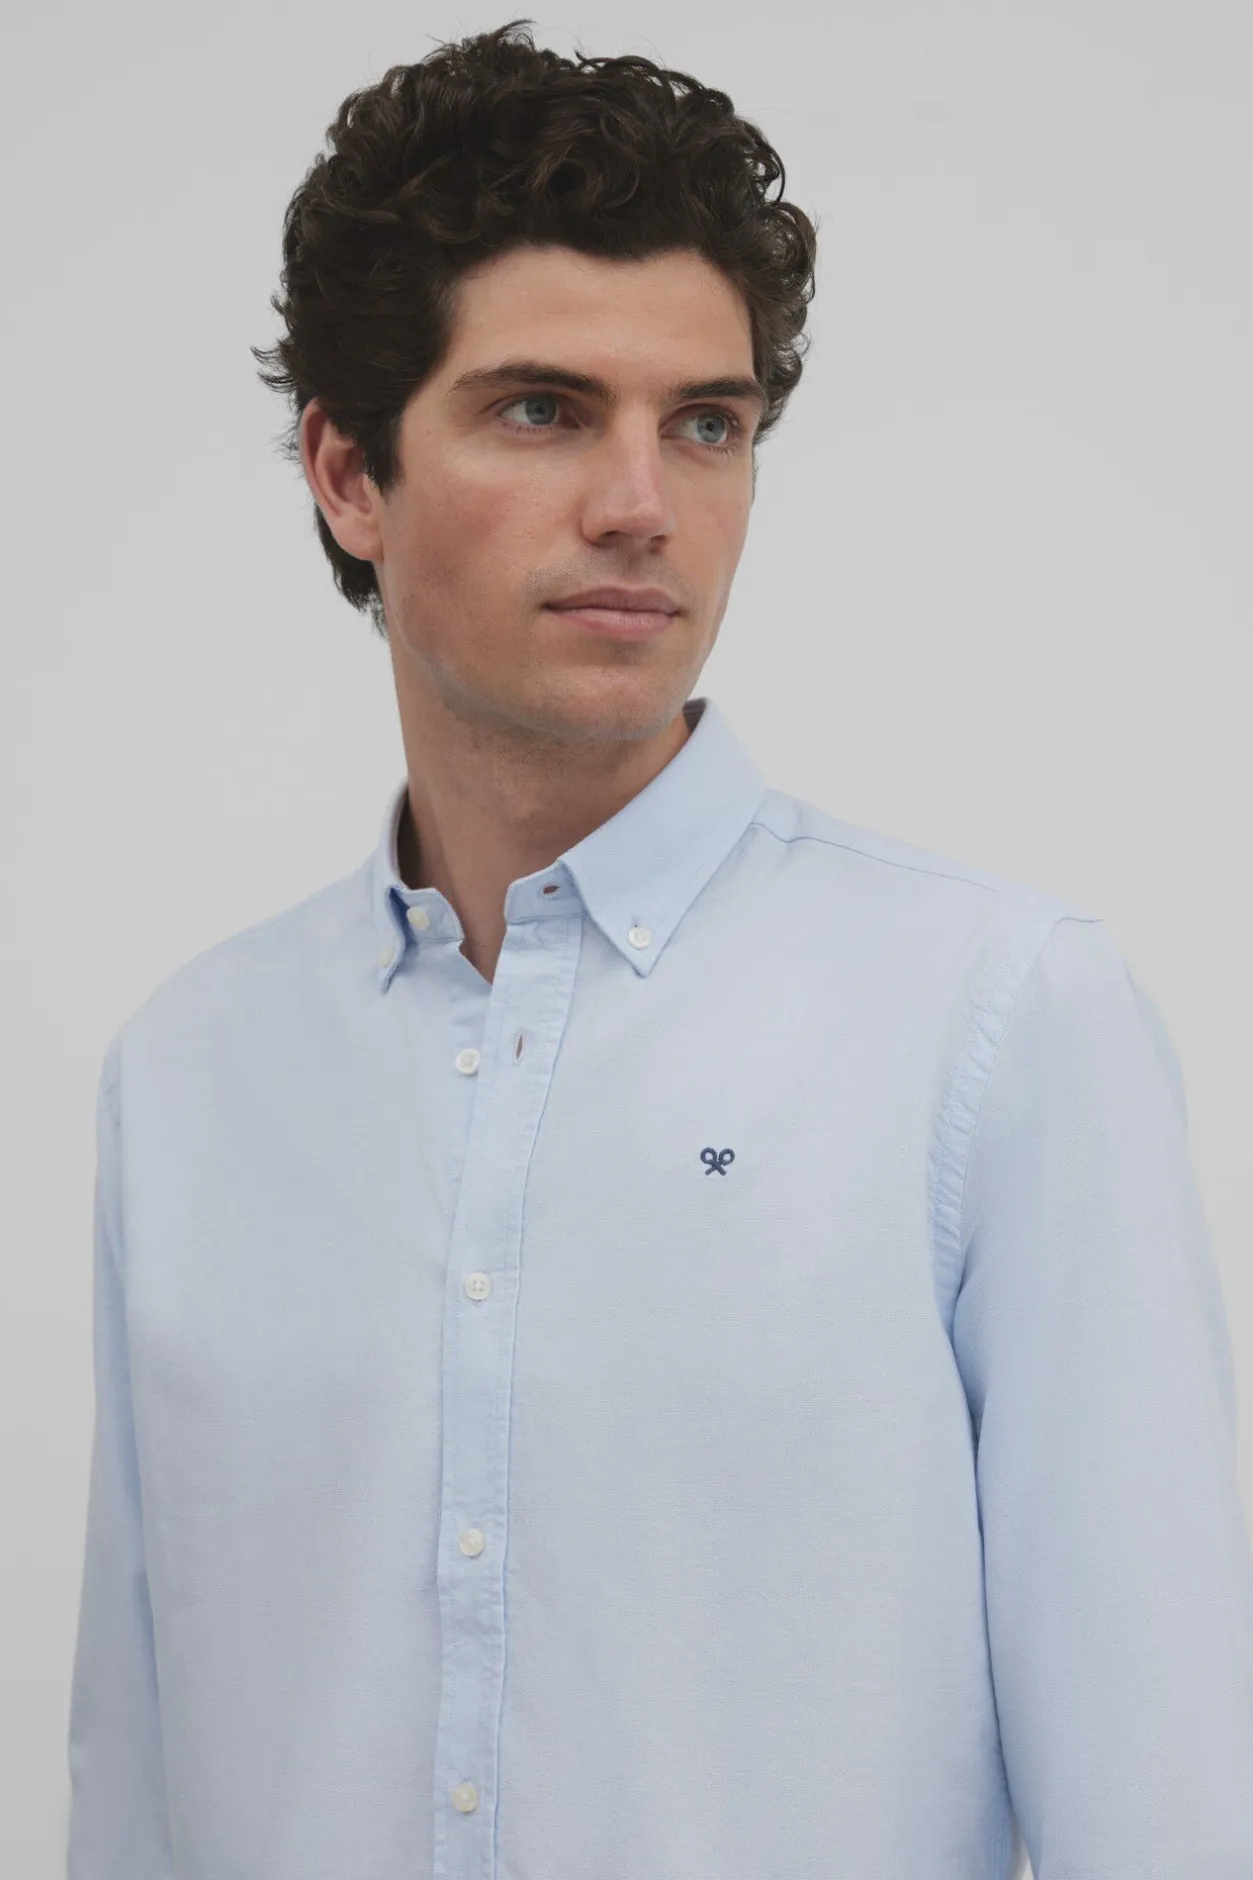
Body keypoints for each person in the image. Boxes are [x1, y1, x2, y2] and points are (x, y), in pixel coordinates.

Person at [66, 19, 1253, 1880]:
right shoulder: (192, 1073)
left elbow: (1165, 1804)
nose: (642, 505)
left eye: (707, 424)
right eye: (543, 410)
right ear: (348, 472)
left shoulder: (999, 1023)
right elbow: (139, 1787)